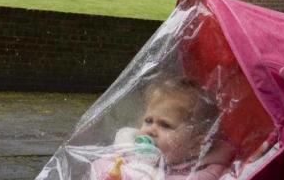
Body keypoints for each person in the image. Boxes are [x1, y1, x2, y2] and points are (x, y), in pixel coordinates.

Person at [94, 77, 233, 180]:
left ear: (196, 145)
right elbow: (99, 166)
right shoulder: (128, 152)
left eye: (165, 125)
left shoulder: (207, 173)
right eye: (148, 121)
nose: (151, 130)